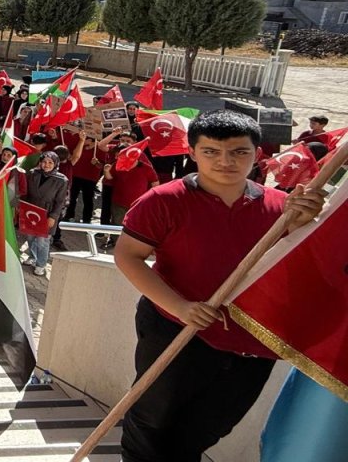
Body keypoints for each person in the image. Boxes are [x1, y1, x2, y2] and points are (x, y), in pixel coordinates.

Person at [112, 110, 325, 462]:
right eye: (211, 151)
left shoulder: (283, 210)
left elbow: (304, 271)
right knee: (151, 421)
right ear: (192, 153)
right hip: (176, 329)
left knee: (206, 429)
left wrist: (305, 225)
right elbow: (128, 256)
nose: (225, 161)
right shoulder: (163, 200)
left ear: (257, 155)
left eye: (239, 152)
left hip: (251, 342)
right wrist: (180, 307)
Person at [22, 151, 69, 276]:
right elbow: (26, 192)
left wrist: (53, 217)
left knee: (43, 240)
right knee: (30, 236)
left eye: (50, 162)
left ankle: (41, 264)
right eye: (44, 162)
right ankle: (32, 256)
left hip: (47, 213)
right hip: (31, 210)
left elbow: (60, 202)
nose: (46, 165)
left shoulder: (62, 180)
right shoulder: (33, 173)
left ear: (55, 164)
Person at [103, 142, 160, 228]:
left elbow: (155, 184)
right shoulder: (116, 166)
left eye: (118, 156)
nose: (115, 158)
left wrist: (148, 200)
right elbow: (110, 178)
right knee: (117, 226)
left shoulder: (146, 168)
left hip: (137, 206)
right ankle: (114, 241)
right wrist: (106, 171)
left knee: (134, 228)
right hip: (119, 204)